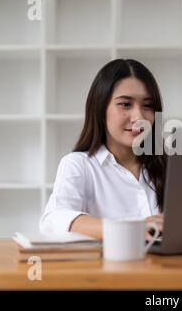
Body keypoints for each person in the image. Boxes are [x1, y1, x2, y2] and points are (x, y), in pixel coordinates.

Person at [39, 59, 165, 239]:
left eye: (147, 105)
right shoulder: (79, 165)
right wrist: (128, 229)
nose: (138, 117)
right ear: (100, 108)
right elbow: (54, 219)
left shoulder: (171, 165)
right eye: (125, 104)